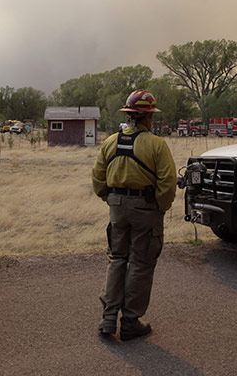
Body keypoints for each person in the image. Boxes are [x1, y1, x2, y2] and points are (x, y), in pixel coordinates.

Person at [91, 90, 177, 341]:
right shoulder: (157, 145)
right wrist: (160, 207)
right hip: (145, 209)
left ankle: (108, 318)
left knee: (117, 258)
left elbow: (98, 177)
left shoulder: (110, 142)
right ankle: (130, 322)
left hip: (117, 208)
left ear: (129, 116)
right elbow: (168, 182)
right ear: (146, 117)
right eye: (151, 116)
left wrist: (110, 198)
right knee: (141, 262)